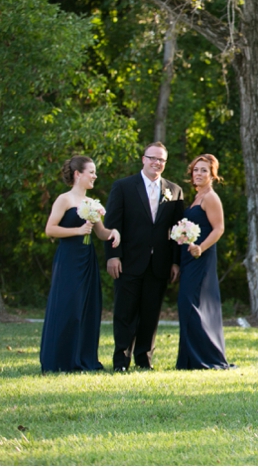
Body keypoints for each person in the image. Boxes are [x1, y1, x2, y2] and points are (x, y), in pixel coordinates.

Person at [104, 142, 184, 371]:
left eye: (161, 160)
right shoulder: (123, 187)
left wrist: (176, 261)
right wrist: (113, 256)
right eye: (152, 158)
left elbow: (179, 230)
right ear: (143, 159)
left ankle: (143, 360)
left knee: (150, 314)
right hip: (128, 261)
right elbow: (112, 224)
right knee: (124, 313)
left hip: (159, 262)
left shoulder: (174, 190)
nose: (156, 163)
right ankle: (121, 361)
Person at [41, 156, 120, 373]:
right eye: (91, 172)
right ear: (78, 174)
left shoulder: (91, 203)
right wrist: (77, 231)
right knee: (68, 308)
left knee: (87, 308)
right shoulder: (64, 200)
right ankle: (61, 360)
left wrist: (113, 232)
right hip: (68, 259)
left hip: (88, 259)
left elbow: (101, 232)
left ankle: (84, 358)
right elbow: (50, 229)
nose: (95, 176)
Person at [176, 154, 232, 369]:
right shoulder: (197, 197)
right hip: (189, 256)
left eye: (204, 171)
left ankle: (205, 358)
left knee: (192, 303)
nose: (198, 174)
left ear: (212, 175)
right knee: (188, 304)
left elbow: (219, 228)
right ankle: (190, 359)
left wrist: (201, 247)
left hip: (202, 258)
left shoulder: (210, 197)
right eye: (196, 170)